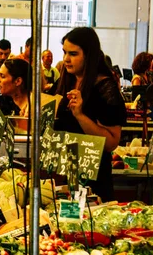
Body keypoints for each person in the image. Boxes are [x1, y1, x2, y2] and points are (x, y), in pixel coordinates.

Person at [54, 27, 126, 202]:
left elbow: (111, 143)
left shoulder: (105, 88)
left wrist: (80, 115)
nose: (66, 59)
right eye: (64, 52)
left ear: (89, 55)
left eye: (73, 54)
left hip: (92, 180)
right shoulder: (66, 79)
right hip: (65, 172)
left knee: (89, 228)